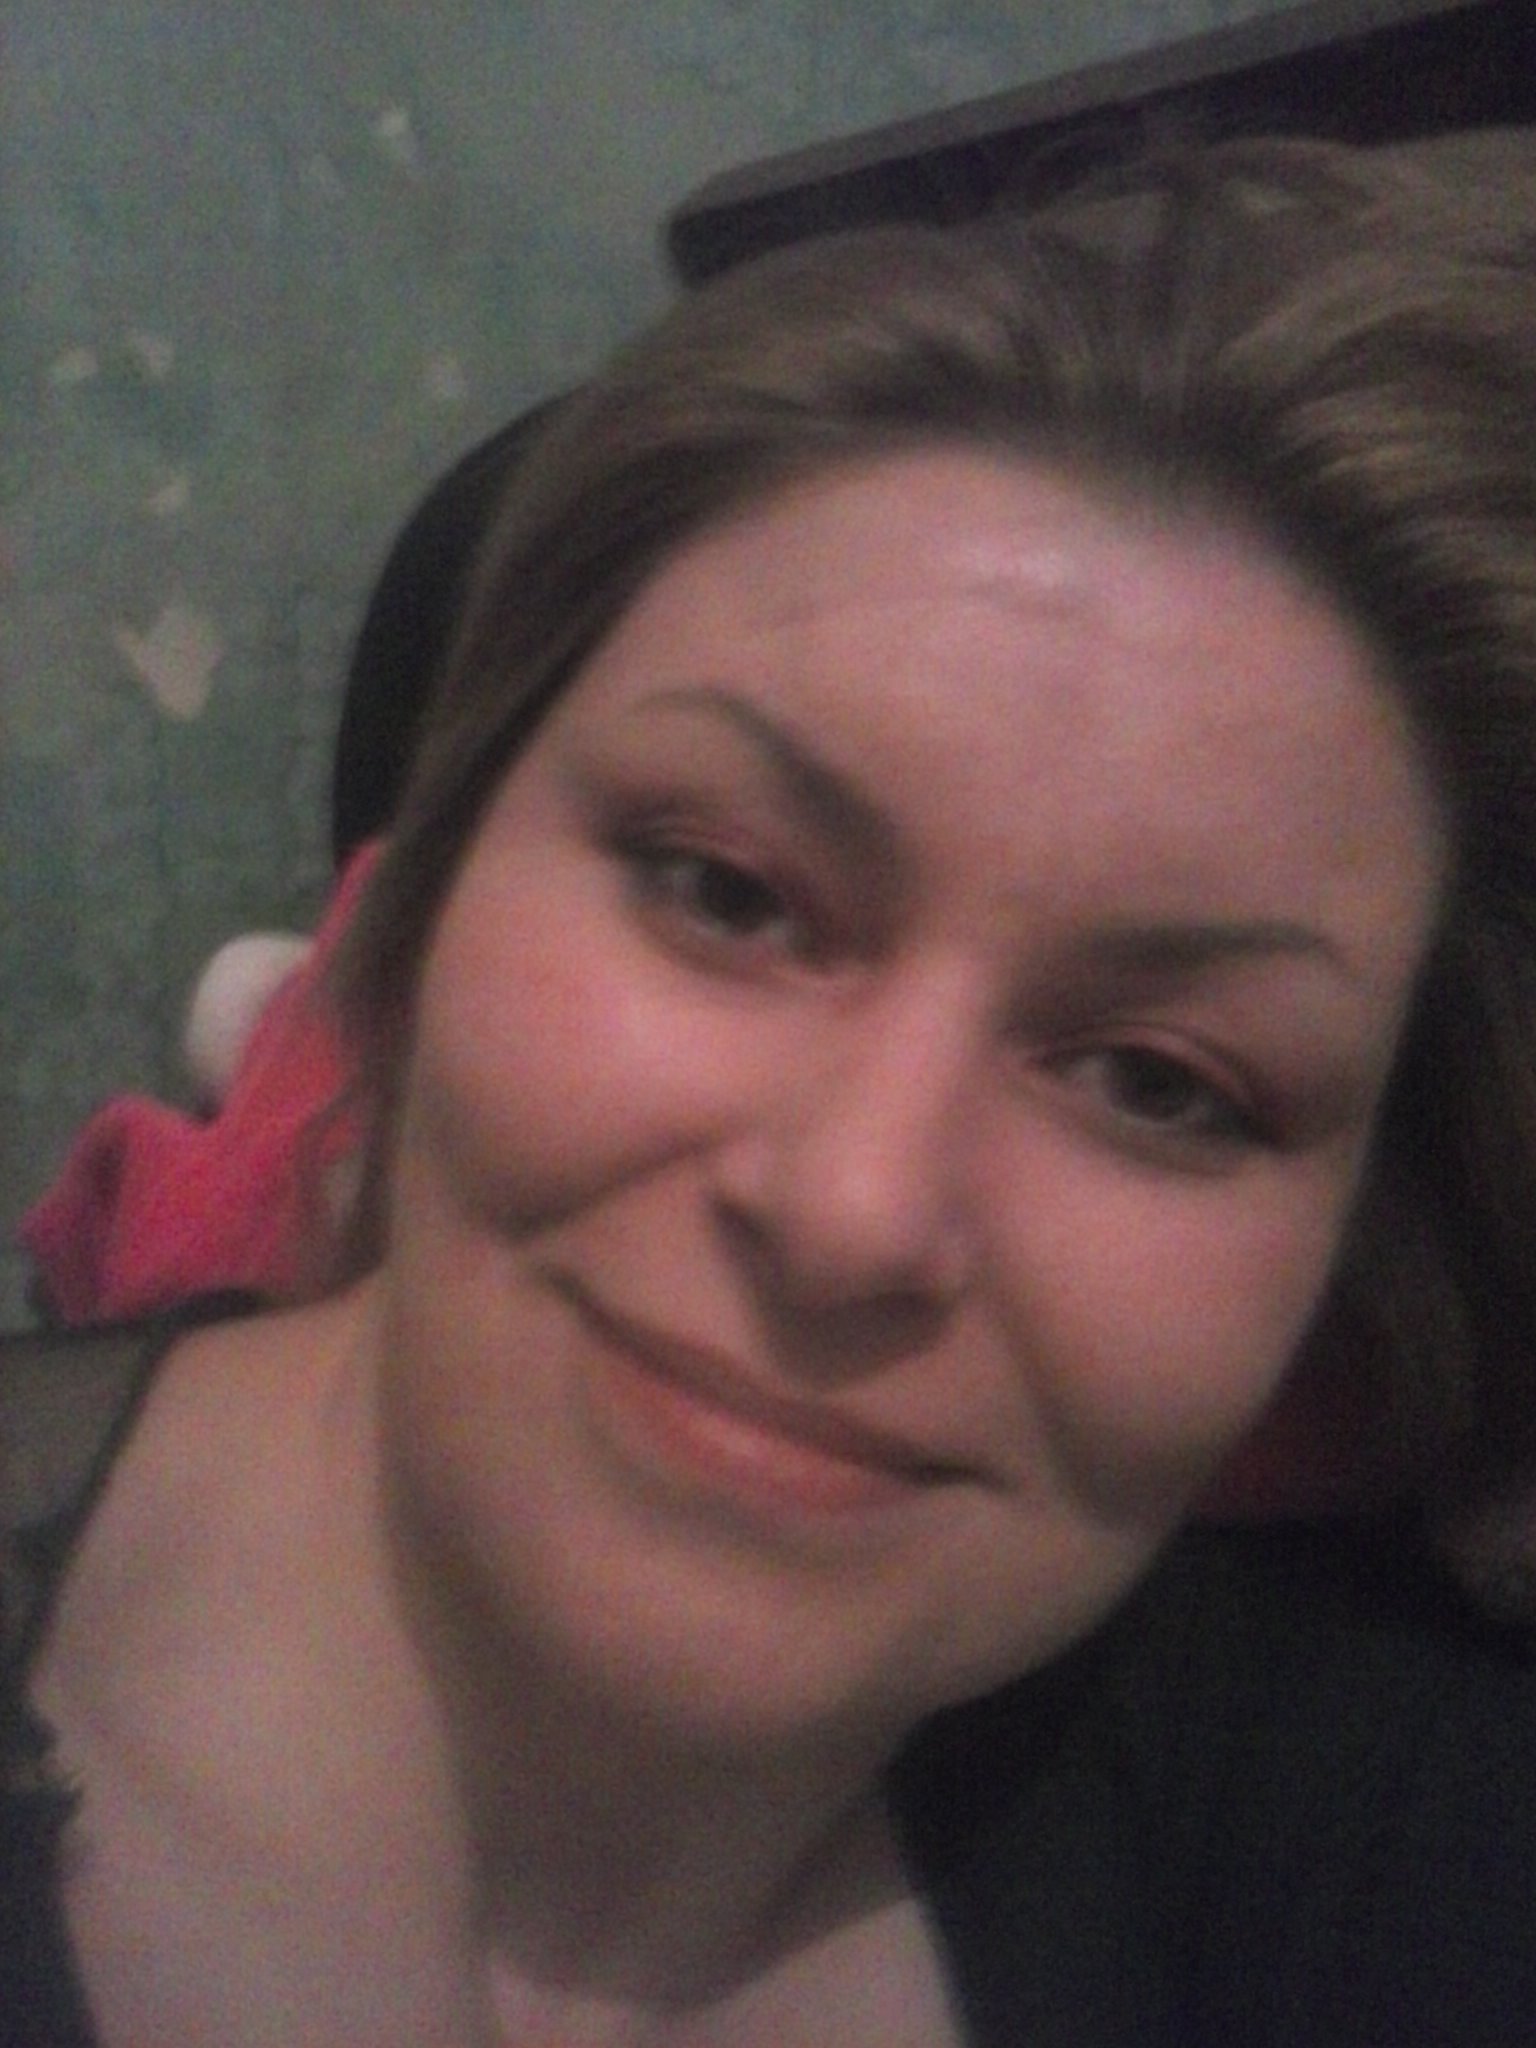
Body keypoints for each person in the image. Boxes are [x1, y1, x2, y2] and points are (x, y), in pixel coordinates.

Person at [5, 136, 1536, 2046]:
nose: (850, 1213)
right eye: (724, 893)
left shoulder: (1395, 1828)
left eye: (1159, 1084)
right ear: (422, 899)